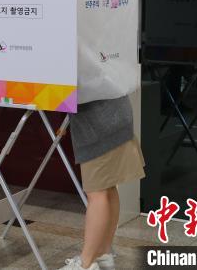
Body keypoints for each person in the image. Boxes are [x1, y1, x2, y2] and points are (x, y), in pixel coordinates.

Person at [59, 95, 145, 270]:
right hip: (114, 116)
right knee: (108, 188)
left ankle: (86, 263)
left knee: (97, 193)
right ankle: (103, 254)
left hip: (97, 127)